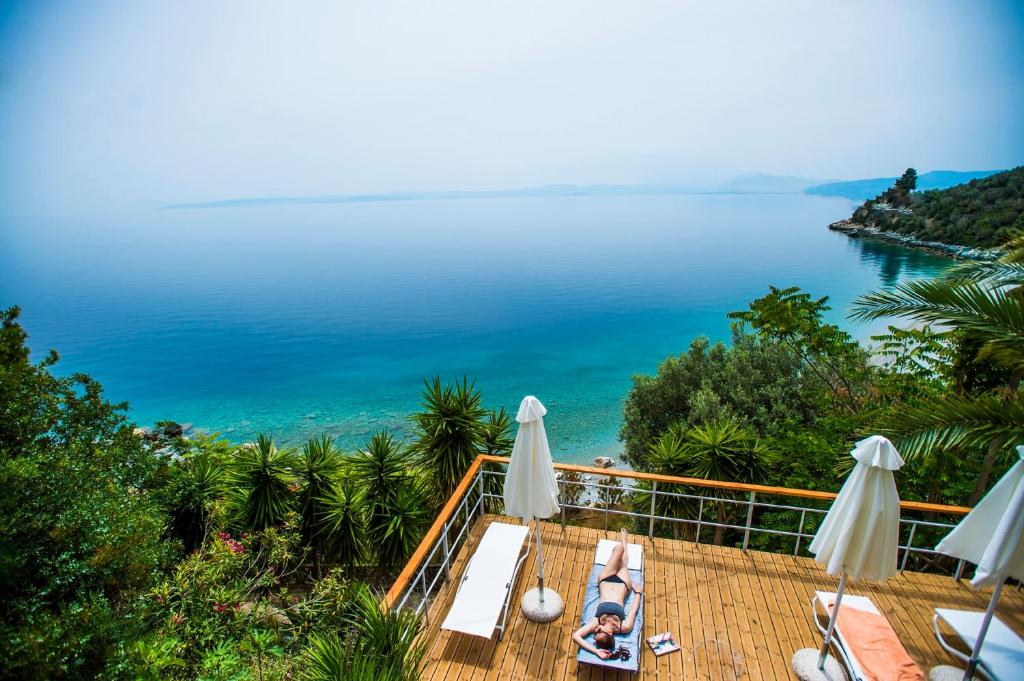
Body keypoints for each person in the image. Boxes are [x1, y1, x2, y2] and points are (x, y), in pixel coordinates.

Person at [572, 528, 643, 659]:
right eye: (599, 632)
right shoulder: (624, 627)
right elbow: (633, 611)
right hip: (623, 583)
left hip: (605, 578)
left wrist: (596, 652)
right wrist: (638, 593)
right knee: (622, 560)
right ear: (610, 632)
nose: (595, 630)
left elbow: (575, 636)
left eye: (594, 634)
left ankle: (621, 546)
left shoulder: (597, 622)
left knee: (618, 550)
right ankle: (624, 540)